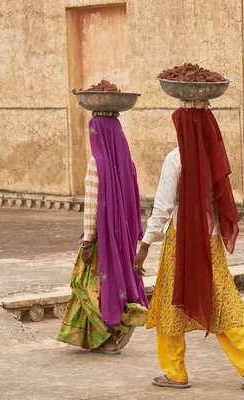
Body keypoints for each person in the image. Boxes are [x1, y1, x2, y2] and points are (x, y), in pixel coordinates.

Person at [134, 100, 244, 391]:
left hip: (181, 242)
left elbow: (162, 208)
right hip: (211, 243)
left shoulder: (175, 158)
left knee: (170, 303)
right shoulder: (215, 158)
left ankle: (175, 372)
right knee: (221, 301)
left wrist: (146, 243)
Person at [57, 112, 148, 355]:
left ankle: (108, 336)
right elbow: (134, 199)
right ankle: (115, 330)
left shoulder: (96, 162)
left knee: (88, 285)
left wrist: (88, 240)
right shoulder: (127, 162)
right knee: (117, 282)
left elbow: (92, 205)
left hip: (102, 238)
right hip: (123, 236)